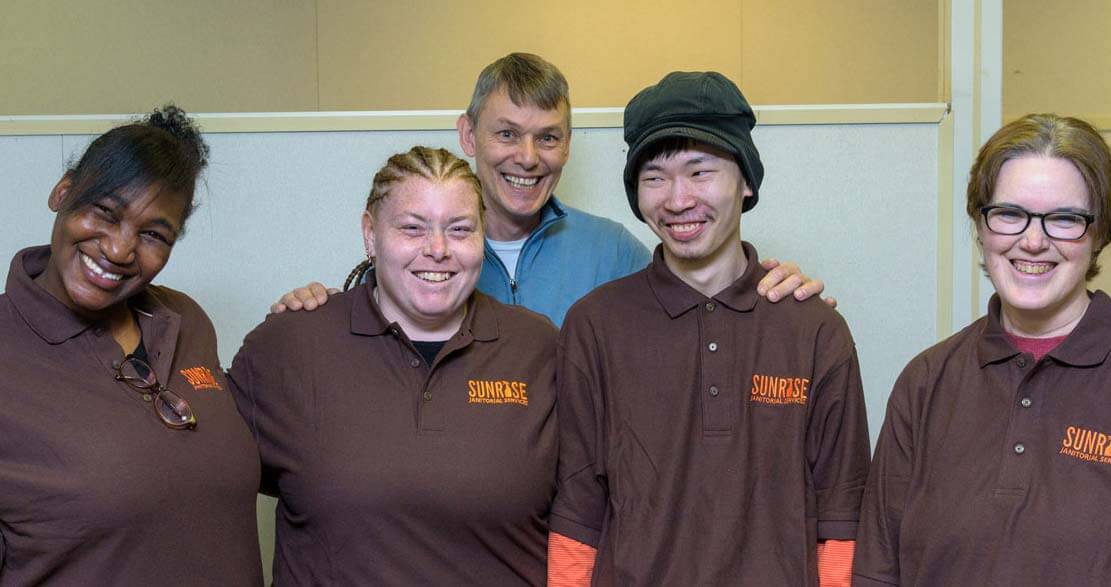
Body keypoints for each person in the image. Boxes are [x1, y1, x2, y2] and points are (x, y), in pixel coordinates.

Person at [548, 72, 870, 586]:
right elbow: (576, 516)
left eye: (700, 172)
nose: (677, 200)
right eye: (654, 177)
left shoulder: (813, 330)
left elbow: (842, 519)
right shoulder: (594, 326)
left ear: (745, 181)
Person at [272, 53, 830, 324]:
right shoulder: (426, 260)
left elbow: (706, 294)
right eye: (507, 134)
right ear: (468, 134)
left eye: (548, 138)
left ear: (568, 145)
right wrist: (313, 312)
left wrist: (776, 292)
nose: (528, 158)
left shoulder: (615, 253)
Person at [853, 114, 1111, 585]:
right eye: (1010, 214)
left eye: (1064, 219)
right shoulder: (926, 382)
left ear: (1100, 235)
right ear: (981, 225)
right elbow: (878, 570)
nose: (1033, 241)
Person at [229, 146, 558, 584]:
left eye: (460, 229)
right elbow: (193, 483)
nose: (437, 250)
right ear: (370, 234)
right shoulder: (289, 346)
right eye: (412, 228)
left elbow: (590, 510)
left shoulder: (539, 348)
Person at [0, 106, 262, 585]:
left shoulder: (187, 322)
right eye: (105, 212)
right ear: (63, 192)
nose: (120, 250)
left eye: (152, 235)